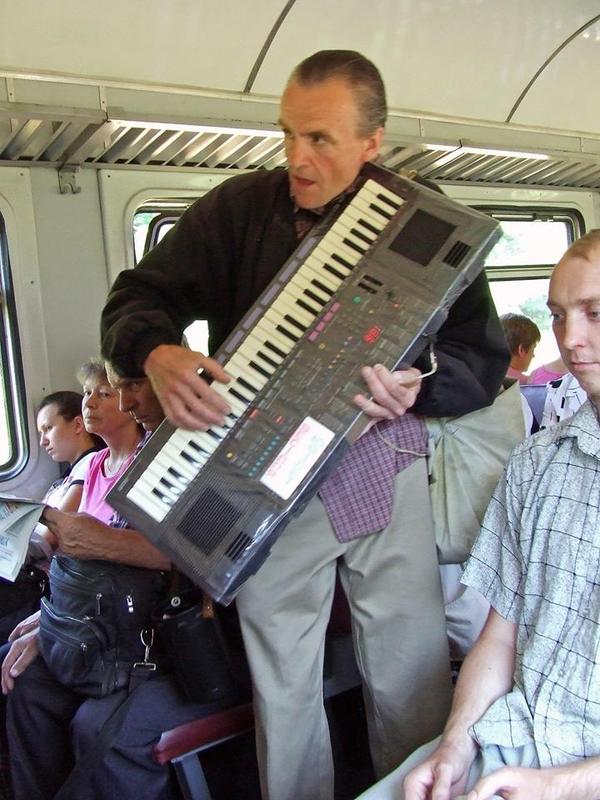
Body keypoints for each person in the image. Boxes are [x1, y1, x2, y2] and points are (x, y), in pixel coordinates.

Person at [100, 50, 509, 800]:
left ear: (373, 142)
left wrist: (417, 386)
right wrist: (155, 353)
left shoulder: (429, 216)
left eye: (320, 138)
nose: (297, 157)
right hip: (262, 482)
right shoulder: (236, 211)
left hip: (381, 468)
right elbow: (137, 295)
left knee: (408, 670)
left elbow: (478, 360)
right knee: (282, 693)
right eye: (287, 133)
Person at [356, 228, 600, 800]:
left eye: (596, 312)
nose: (572, 339)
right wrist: (455, 747)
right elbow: (499, 637)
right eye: (559, 316)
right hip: (511, 741)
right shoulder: (538, 463)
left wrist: (556, 787)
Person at [0, 391, 101, 646]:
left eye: (48, 429)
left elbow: (49, 539)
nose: (43, 441)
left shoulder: (89, 466)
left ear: (78, 424)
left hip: (41, 580)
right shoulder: (62, 480)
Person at [499, 313, 540, 384]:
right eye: (533, 349)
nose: (533, 356)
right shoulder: (528, 383)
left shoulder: (480, 376)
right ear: (521, 350)